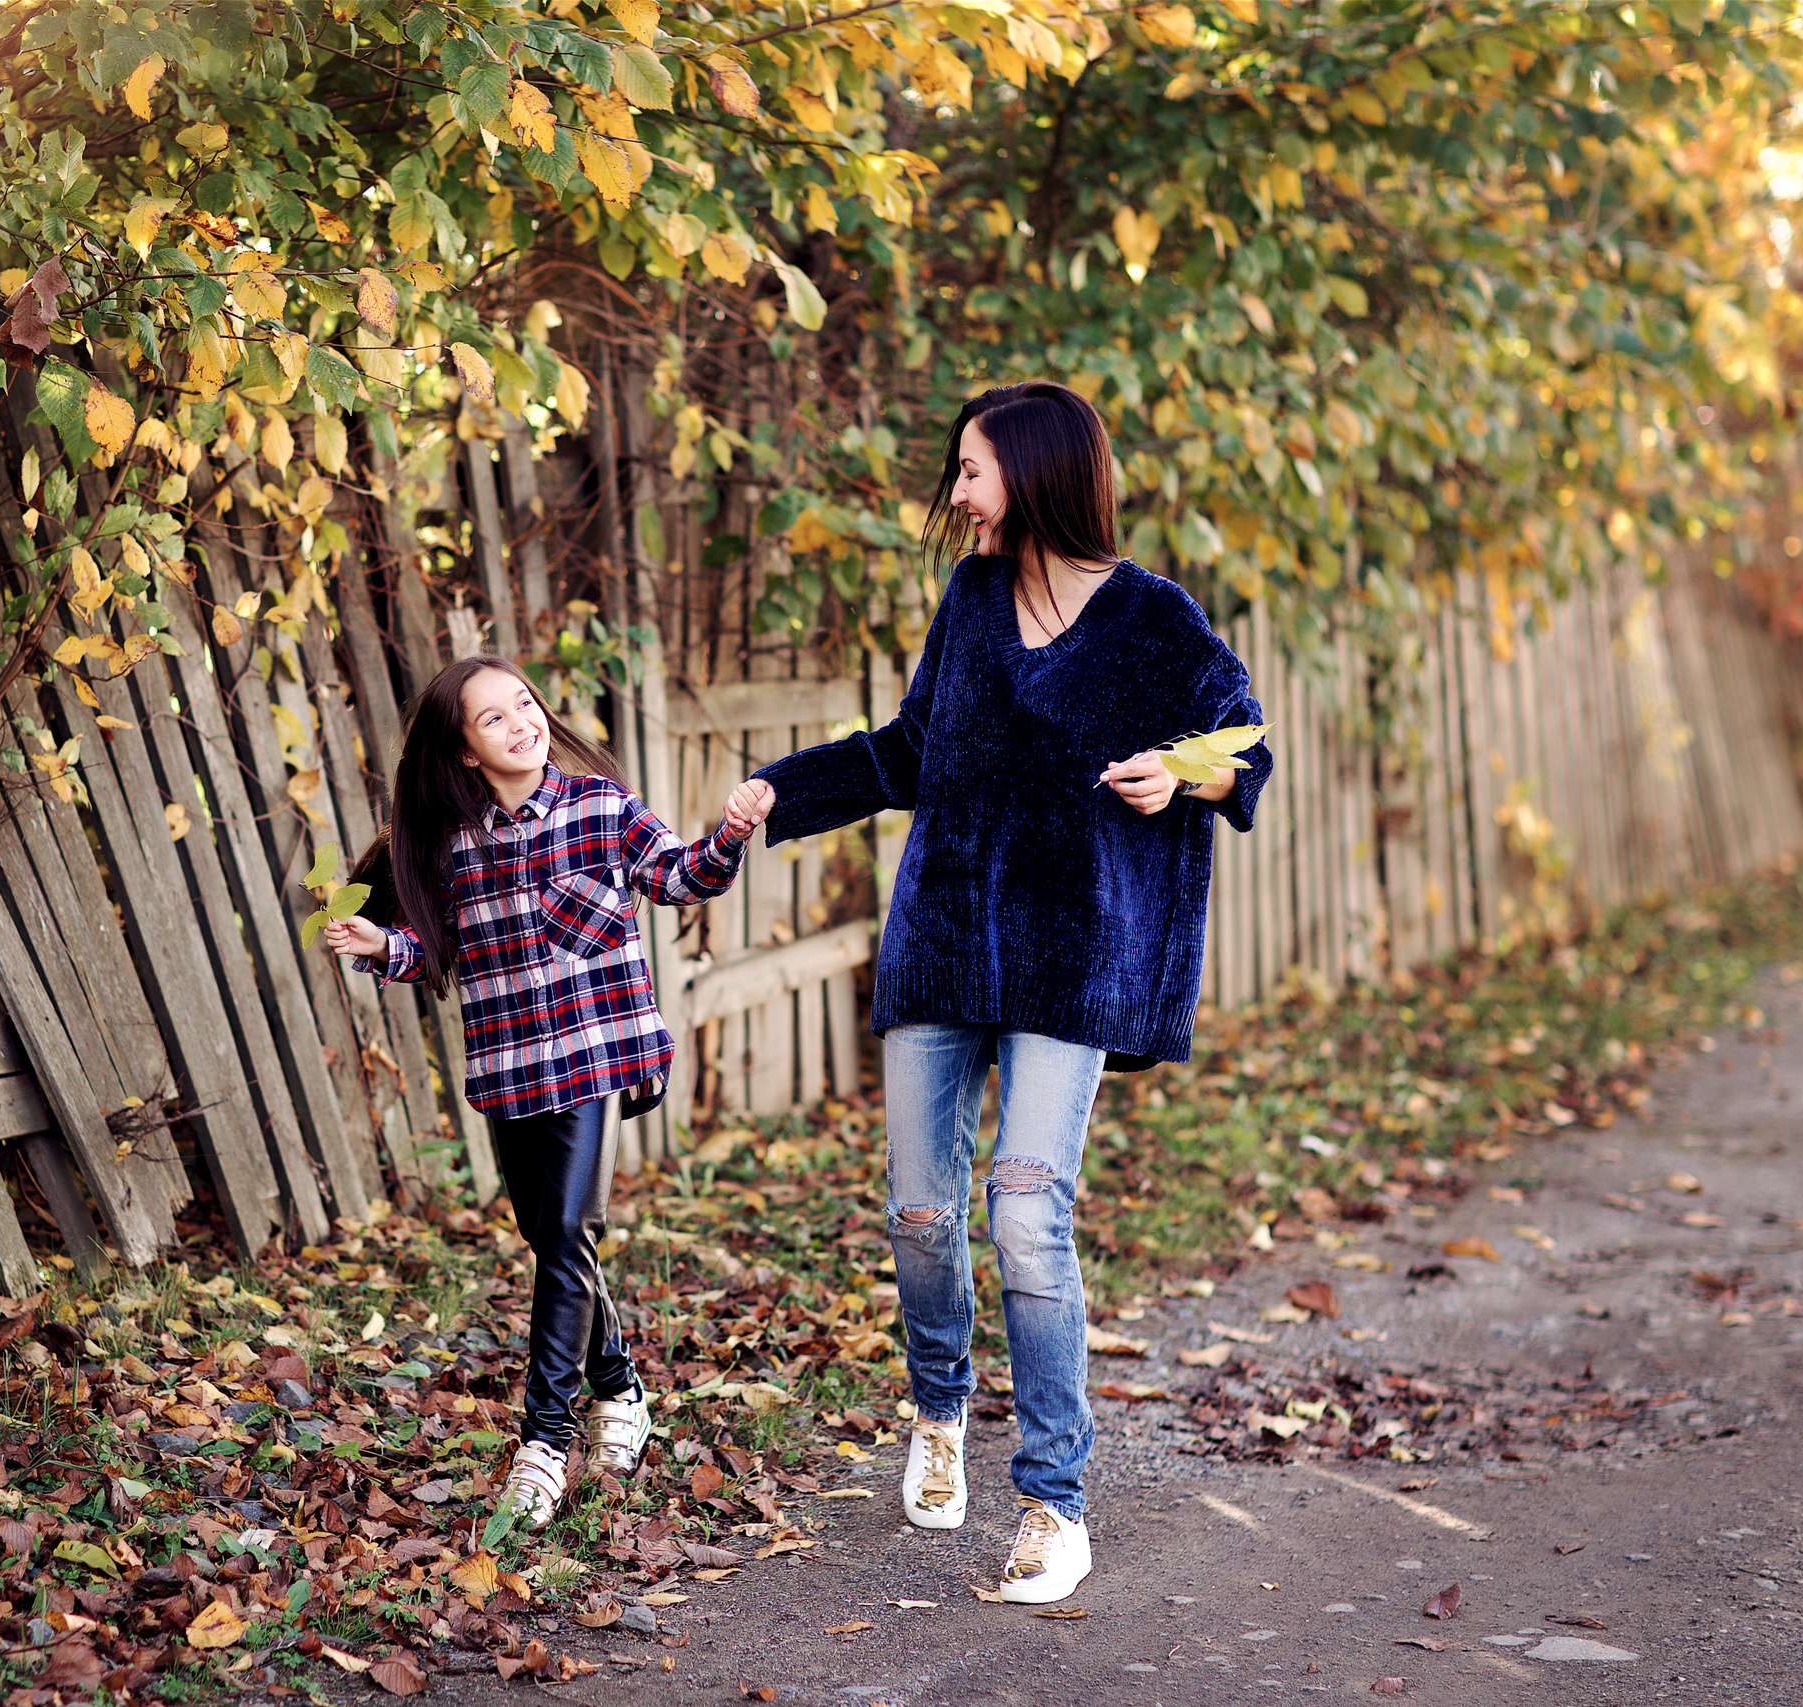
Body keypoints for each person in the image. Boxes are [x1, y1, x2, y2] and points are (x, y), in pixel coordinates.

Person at [751, 381, 1272, 1604]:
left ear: (1032, 475)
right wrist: (787, 789)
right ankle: (939, 1411)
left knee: (1026, 1214)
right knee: (922, 1215)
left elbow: (1242, 738)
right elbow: (910, 751)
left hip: (1070, 957)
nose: (958, 496)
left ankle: (1053, 1502)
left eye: (972, 471)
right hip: (944, 940)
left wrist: (1179, 778)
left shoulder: (1152, 619)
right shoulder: (973, 599)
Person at [325, 655, 775, 1530]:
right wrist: (381, 945)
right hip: (507, 1065)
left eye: (524, 702)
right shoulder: (455, 849)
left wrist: (729, 833)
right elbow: (438, 954)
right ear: (462, 752)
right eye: (493, 718)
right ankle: (619, 1383)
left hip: (596, 1058)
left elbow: (680, 878)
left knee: (569, 1229)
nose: (521, 722)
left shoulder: (600, 808)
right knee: (549, 1239)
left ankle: (542, 1441)